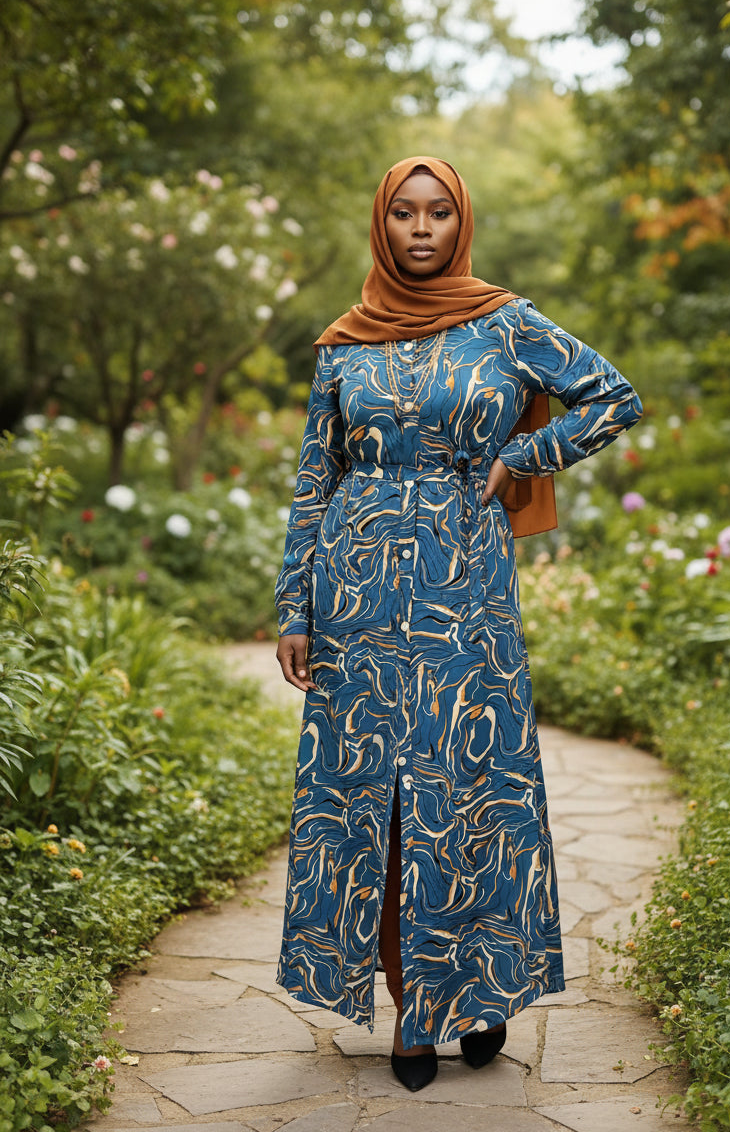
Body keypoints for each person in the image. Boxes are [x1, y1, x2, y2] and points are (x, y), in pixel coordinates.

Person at [274, 156, 642, 1091]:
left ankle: (478, 995)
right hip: (354, 591)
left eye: (440, 212)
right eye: (405, 213)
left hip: (464, 584)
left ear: (461, 220)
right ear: (382, 224)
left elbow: (613, 397)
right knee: (379, 801)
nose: (423, 228)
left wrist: (527, 451)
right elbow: (317, 478)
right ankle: (410, 1010)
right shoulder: (343, 347)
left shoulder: (505, 322)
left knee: (467, 783)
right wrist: (294, 608)